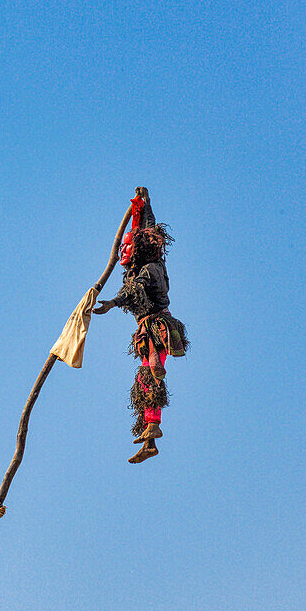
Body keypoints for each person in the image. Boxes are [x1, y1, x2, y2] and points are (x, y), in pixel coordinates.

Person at [93, 187, 188, 463]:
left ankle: (153, 425)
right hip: (150, 330)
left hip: (158, 328)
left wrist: (112, 302)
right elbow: (147, 227)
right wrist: (145, 204)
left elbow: (133, 291)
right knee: (144, 380)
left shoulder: (150, 269)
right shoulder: (146, 262)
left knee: (150, 375)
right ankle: (149, 437)